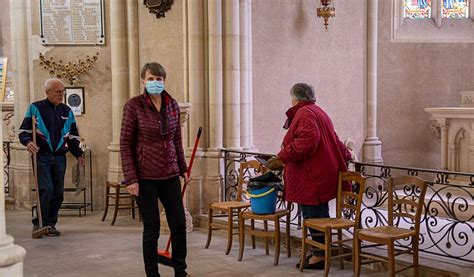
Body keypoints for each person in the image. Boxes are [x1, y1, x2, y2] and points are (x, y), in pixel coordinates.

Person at [267, 83, 351, 270]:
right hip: (322, 174)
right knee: (321, 215)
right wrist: (346, 155)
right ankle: (321, 251)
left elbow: (308, 142)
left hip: (311, 176)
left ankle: (319, 255)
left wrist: (282, 157)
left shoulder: (304, 113)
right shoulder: (318, 111)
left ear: (295, 98)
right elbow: (334, 140)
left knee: (312, 216)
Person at [120, 62, 190, 277]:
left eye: (159, 79)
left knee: (178, 224)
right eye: (150, 79)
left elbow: (177, 140)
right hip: (145, 177)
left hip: (169, 174)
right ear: (143, 81)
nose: (155, 83)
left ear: (164, 81)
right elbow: (125, 143)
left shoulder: (172, 105)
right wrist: (131, 179)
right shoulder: (134, 106)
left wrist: (183, 167)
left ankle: (180, 271)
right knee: (152, 229)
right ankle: (153, 274)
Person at [19, 78, 84, 237]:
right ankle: (39, 223)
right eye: (58, 92)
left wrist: (79, 154)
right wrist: (28, 143)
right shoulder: (35, 108)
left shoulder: (67, 111)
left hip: (60, 157)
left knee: (58, 193)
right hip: (42, 156)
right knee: (46, 189)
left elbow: (73, 136)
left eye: (62, 91)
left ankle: (50, 224)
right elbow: (23, 132)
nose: (61, 94)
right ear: (48, 92)